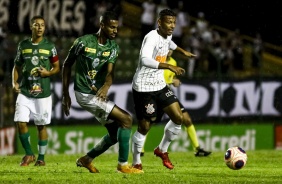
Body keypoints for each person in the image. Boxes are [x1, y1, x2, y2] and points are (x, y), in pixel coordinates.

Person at [62, 11, 142, 174]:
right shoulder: (83, 42)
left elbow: (110, 73)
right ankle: (123, 166)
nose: (115, 31)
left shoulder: (113, 47)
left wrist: (106, 86)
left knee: (115, 134)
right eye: (112, 27)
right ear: (102, 25)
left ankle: (86, 159)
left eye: (116, 28)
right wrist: (65, 95)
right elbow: (67, 65)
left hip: (96, 93)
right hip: (84, 93)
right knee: (126, 119)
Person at [131, 9, 196, 171]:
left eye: (174, 22)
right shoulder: (151, 37)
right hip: (144, 87)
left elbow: (170, 44)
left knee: (178, 117)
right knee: (145, 126)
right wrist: (168, 65)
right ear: (159, 22)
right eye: (169, 22)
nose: (172, 26)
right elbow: (145, 59)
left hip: (159, 84)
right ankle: (136, 161)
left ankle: (162, 150)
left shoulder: (167, 35)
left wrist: (183, 52)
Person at [140, 50, 212, 157]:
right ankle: (140, 149)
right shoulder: (156, 61)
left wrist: (174, 80)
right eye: (167, 48)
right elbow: (151, 79)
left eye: (171, 49)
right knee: (150, 121)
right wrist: (171, 82)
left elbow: (170, 78)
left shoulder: (173, 62)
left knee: (186, 119)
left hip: (167, 94)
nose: (168, 51)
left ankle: (197, 149)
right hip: (155, 95)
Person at [12, 15, 60, 166]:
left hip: (42, 93)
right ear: (31, 27)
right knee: (20, 122)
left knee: (41, 125)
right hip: (25, 91)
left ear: (45, 28)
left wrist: (48, 73)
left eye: (42, 25)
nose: (39, 27)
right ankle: (28, 154)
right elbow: (17, 66)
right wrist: (14, 82)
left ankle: (41, 158)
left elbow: (57, 67)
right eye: (36, 25)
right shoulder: (23, 45)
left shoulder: (49, 46)